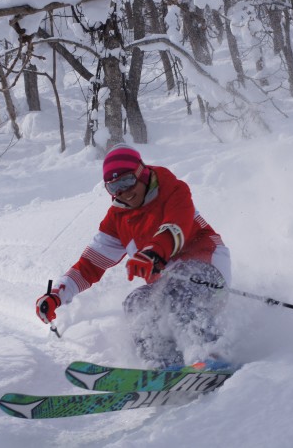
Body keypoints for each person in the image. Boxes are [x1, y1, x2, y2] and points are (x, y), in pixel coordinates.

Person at [36, 144, 232, 368]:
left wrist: (152, 253)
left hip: (206, 267)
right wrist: (57, 295)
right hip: (167, 281)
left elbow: (175, 228)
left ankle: (209, 355)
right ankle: (164, 365)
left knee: (179, 292)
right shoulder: (117, 219)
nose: (124, 192)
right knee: (136, 303)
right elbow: (90, 264)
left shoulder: (174, 190)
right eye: (114, 187)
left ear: (141, 172)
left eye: (127, 181)